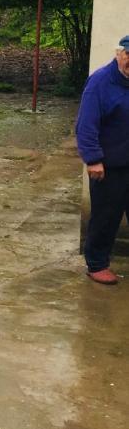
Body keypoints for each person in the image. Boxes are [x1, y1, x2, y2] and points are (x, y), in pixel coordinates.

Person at [75, 35, 129, 285]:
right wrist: (93, 158)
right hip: (109, 166)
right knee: (106, 216)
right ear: (119, 54)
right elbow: (86, 125)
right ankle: (97, 264)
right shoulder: (100, 82)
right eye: (128, 55)